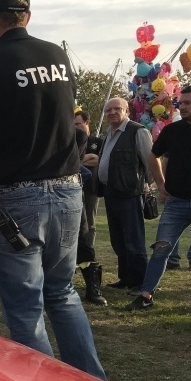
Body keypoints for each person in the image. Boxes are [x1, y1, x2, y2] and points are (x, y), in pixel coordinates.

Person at [0, 0, 106, 380]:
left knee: (26, 310)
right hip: (68, 192)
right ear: (27, 16)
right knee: (63, 295)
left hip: (16, 202)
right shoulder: (58, 59)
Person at [128, 86, 191, 310]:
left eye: (187, 103)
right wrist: (161, 183)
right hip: (176, 202)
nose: (182, 106)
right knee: (161, 249)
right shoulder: (172, 131)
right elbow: (153, 155)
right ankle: (146, 296)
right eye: (181, 103)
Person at [97, 97, 161, 295]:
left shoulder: (137, 131)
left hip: (130, 194)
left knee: (134, 241)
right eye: (108, 110)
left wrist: (146, 186)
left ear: (127, 111)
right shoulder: (109, 133)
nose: (112, 113)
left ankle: (140, 282)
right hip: (111, 193)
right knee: (118, 240)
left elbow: (150, 161)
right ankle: (125, 278)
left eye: (117, 109)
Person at [73, 125, 107, 305]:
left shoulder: (78, 135)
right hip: (37, 194)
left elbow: (73, 163)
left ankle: (93, 287)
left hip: (70, 193)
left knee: (83, 240)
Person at [74, 110, 103, 246]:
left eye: (78, 124)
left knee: (89, 222)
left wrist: (78, 161)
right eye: (73, 124)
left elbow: (99, 160)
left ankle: (88, 253)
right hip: (73, 187)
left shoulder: (96, 142)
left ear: (87, 122)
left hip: (91, 188)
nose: (76, 127)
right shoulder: (72, 140)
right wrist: (88, 158)